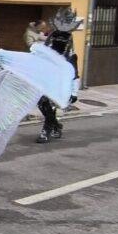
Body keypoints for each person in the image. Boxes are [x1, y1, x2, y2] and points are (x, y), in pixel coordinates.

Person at [35, 9, 81, 144]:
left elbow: (74, 74)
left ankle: (46, 130)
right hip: (46, 80)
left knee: (49, 104)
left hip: (60, 83)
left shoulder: (71, 57)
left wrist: (74, 92)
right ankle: (56, 125)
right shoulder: (46, 53)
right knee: (42, 104)